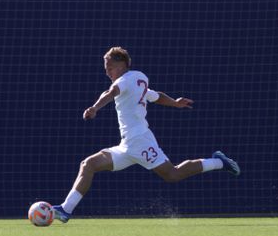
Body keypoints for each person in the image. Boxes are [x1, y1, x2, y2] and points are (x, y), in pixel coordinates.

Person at [51, 47, 240, 223]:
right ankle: (65, 210)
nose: (107, 72)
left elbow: (110, 92)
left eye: (110, 67)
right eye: (105, 68)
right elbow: (155, 95)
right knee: (88, 164)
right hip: (127, 145)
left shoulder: (124, 80)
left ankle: (219, 162)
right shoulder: (137, 80)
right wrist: (174, 103)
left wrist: (94, 107)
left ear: (122, 65)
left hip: (140, 141)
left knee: (172, 175)